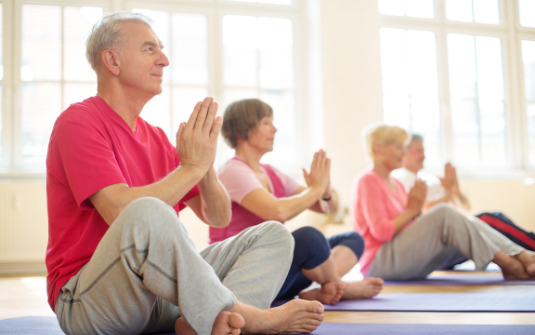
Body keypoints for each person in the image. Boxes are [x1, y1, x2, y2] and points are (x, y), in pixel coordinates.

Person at [45, 12, 324, 335]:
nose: (164, 60)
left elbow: (217, 216)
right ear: (112, 61)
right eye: (149, 49)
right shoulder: (78, 122)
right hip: (90, 301)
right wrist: (190, 167)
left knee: (273, 234)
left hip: (160, 299)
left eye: (161, 49)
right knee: (146, 211)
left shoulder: (158, 139)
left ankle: (208, 323)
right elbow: (119, 210)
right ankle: (248, 318)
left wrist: (203, 167)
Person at [209, 98, 384, 305]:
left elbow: (325, 207)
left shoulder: (270, 172)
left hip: (276, 273)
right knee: (309, 238)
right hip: (242, 274)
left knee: (353, 239)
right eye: (266, 123)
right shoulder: (232, 170)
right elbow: (277, 212)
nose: (274, 129)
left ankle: (326, 287)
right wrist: (316, 190)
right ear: (241, 130)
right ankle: (338, 286)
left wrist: (325, 192)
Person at [350, 123, 535, 281]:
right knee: (444, 211)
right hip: (379, 262)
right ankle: (509, 262)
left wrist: (416, 213)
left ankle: (520, 255)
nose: (404, 152)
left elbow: (409, 224)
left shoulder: (396, 183)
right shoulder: (367, 180)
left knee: (469, 223)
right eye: (399, 147)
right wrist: (412, 210)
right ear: (378, 150)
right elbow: (381, 232)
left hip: (403, 255)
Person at [392, 134, 535, 252]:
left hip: (457, 225)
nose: (423, 155)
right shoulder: (401, 177)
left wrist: (456, 189)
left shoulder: (428, 178)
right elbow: (425, 210)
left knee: (496, 217)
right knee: (488, 219)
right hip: (441, 234)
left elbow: (465, 206)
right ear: (405, 153)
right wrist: (448, 193)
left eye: (423, 151)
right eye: (418, 151)